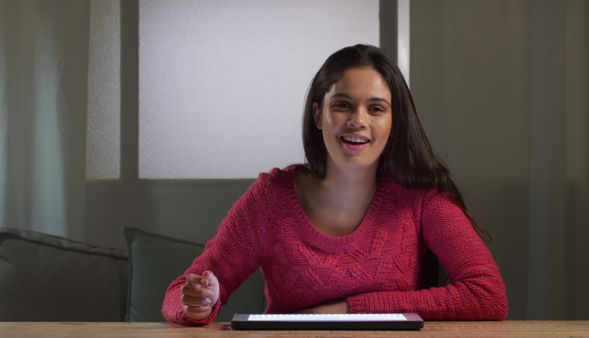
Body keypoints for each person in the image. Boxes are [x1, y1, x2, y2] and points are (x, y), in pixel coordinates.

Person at [162, 44, 508, 325]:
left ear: (394, 121)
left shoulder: (422, 199)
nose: (358, 121)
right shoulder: (272, 198)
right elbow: (182, 292)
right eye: (343, 105)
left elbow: (488, 294)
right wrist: (197, 304)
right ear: (318, 115)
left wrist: (347, 310)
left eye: (376, 108)